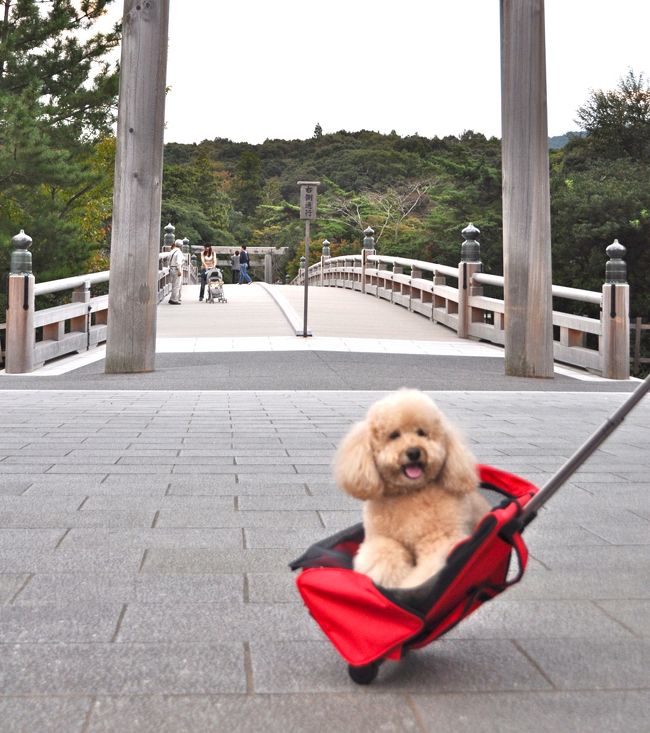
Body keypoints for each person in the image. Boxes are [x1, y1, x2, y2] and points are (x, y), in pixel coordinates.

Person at [168, 239, 184, 304]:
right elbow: (178, 262)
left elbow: (168, 260)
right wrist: (179, 271)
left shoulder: (172, 251)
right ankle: (174, 300)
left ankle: (172, 298)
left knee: (174, 284)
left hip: (171, 268)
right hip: (176, 269)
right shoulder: (179, 252)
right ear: (181, 246)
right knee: (177, 285)